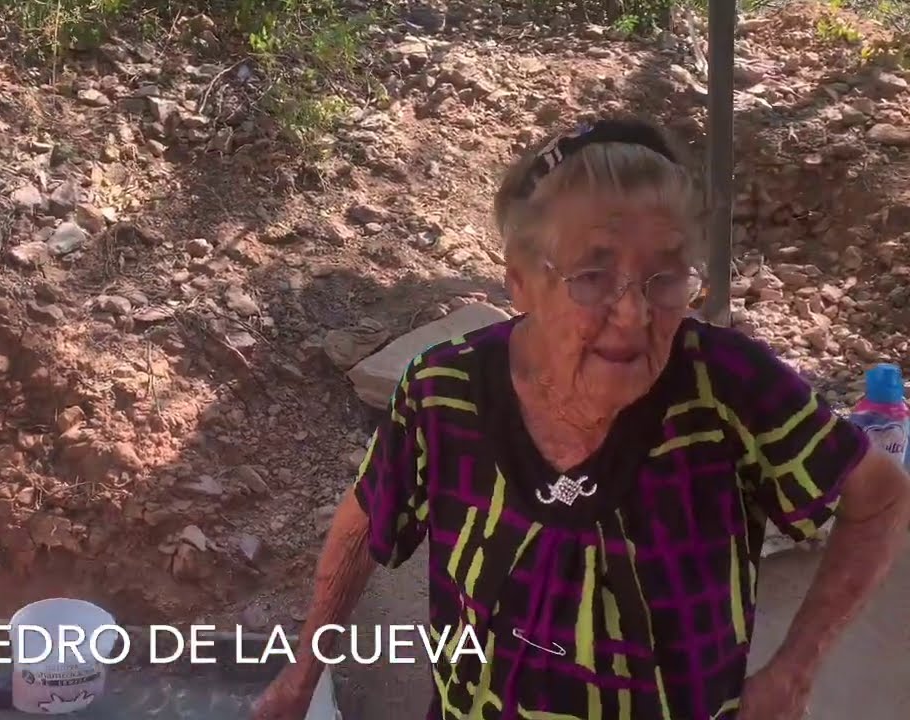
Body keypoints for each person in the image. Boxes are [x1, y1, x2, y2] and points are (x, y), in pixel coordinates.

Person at [253, 117, 910, 720]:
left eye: (665, 275)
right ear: (519, 283)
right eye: (593, 275)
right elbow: (369, 513)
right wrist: (304, 668)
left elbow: (879, 499)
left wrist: (795, 670)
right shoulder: (444, 392)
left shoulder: (729, 388)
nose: (634, 313)